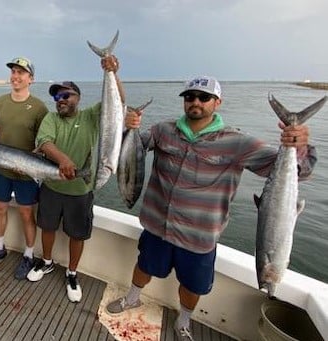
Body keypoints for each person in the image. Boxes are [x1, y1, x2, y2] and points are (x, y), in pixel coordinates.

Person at [105, 76, 317, 340]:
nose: (196, 102)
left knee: (192, 285)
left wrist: (299, 146)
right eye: (190, 97)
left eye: (204, 98)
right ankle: (132, 298)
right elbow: (132, 148)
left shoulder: (237, 143)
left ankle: (183, 322)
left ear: (217, 102)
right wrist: (129, 127)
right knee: (144, 266)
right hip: (157, 225)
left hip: (199, 237)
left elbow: (300, 172)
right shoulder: (163, 131)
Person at [26, 55, 125, 303]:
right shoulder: (51, 118)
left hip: (81, 189)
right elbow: (44, 142)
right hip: (51, 186)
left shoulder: (91, 116)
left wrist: (112, 73)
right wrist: (63, 160)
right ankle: (47, 262)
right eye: (57, 96)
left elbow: (118, 102)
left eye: (66, 95)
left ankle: (72, 273)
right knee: (47, 227)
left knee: (77, 235)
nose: (60, 100)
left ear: (77, 98)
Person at [0, 57, 49, 280]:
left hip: (26, 172)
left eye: (21, 73)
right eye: (13, 72)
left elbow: (44, 142)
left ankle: (28, 255)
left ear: (31, 79)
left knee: (26, 213)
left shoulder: (39, 107)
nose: (16, 76)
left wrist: (29, 163)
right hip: (1, 168)